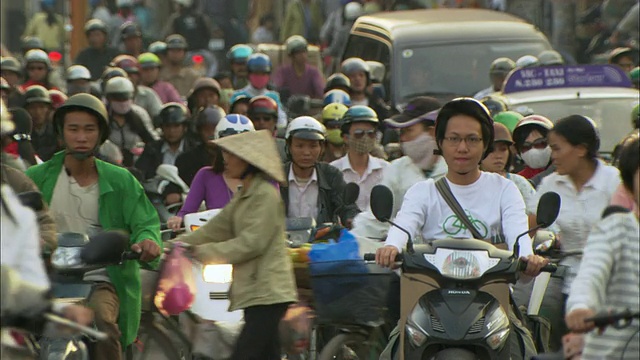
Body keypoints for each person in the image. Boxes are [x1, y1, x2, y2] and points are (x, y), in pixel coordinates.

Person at [375, 98, 549, 359]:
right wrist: (390, 247)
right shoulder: (423, 191)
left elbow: (518, 235)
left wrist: (527, 257)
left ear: (485, 144)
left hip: (493, 297)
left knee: (525, 349)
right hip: (428, 295)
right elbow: (403, 225)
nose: (462, 148)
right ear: (441, 143)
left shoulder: (505, 190)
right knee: (392, 350)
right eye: (454, 139)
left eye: (472, 139)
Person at [25, 93, 162, 360]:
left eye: (89, 129)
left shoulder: (121, 180)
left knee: (102, 322)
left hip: (100, 280)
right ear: (61, 134)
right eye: (73, 129)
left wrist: (147, 241)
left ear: (100, 135)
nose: (81, 137)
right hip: (43, 279)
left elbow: (145, 222)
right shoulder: (34, 178)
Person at [175, 129, 297, 359]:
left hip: (269, 292)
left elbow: (251, 243)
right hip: (254, 291)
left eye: (232, 155)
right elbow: (215, 228)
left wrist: (204, 252)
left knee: (245, 353)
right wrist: (177, 244)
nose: (226, 160)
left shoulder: (265, 196)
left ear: (248, 161)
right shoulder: (244, 195)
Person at [529, 114, 621, 350]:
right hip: (568, 284)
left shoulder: (615, 182)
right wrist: (526, 254)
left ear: (580, 149)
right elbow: (528, 229)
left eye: (557, 149)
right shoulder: (550, 185)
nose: (553, 156)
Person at [564, 136, 639, 359]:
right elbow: (591, 275)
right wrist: (581, 307)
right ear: (628, 186)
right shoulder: (614, 230)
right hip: (613, 352)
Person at [352, 97, 446, 241]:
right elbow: (375, 221)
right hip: (409, 257)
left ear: (432, 132)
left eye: (409, 131)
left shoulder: (458, 169)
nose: (402, 138)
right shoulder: (397, 168)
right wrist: (350, 238)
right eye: (400, 133)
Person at [167, 114, 255, 231]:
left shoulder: (265, 179)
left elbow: (273, 218)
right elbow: (186, 213)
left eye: (241, 150)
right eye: (227, 150)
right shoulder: (205, 175)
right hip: (214, 245)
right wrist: (178, 220)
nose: (235, 157)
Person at [281, 116, 359, 225]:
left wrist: (351, 219)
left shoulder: (331, 174)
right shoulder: (277, 176)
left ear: (322, 148)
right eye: (299, 146)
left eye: (313, 146)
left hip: (322, 240)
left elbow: (347, 207)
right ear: (289, 147)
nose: (306, 152)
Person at [330, 105, 388, 210]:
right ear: (346, 138)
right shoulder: (332, 171)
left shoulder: (386, 169)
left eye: (371, 134)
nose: (365, 138)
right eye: (358, 134)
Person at [480, 122, 536, 218]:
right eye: (492, 150)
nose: (498, 156)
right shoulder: (468, 184)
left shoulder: (519, 182)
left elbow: (537, 214)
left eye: (503, 149)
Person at [135, 102, 197, 181]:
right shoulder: (152, 150)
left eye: (176, 126)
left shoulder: (194, 150)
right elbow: (140, 172)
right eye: (167, 126)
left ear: (185, 127)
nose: (171, 131)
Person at [103, 76, 156, 166]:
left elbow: (151, 141)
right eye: (118, 98)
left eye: (126, 98)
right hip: (108, 164)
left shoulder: (139, 114)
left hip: (136, 164)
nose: (123, 103)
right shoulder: (102, 117)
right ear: (108, 98)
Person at [174, 107, 227, 186]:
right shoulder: (186, 160)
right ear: (199, 131)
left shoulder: (232, 158)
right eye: (207, 129)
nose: (211, 134)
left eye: (215, 129)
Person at [233, 53, 288, 128]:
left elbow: (282, 121)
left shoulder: (273, 97)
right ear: (248, 74)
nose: (259, 77)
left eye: (263, 74)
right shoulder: (238, 96)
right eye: (256, 73)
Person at [110, 54, 163, 118]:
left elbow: (159, 116)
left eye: (131, 74)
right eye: (124, 74)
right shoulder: (107, 97)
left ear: (138, 76)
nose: (128, 78)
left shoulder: (148, 94)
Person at [274, 35, 325, 99]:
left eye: (304, 52)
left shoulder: (313, 72)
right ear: (291, 56)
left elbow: (320, 91)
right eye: (298, 53)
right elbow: (276, 88)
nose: (303, 55)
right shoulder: (283, 71)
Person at [321, 1, 363, 72]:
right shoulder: (362, 29)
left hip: (343, 61)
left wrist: (327, 51)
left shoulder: (342, 30)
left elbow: (326, 37)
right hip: (352, 61)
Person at [512, 114, 554, 180]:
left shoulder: (567, 172)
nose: (533, 150)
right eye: (525, 146)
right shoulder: (519, 181)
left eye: (540, 143)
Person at [24, 85, 58, 161]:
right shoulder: (22, 134)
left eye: (42, 107)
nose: (37, 112)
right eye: (33, 108)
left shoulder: (57, 132)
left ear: (48, 109)